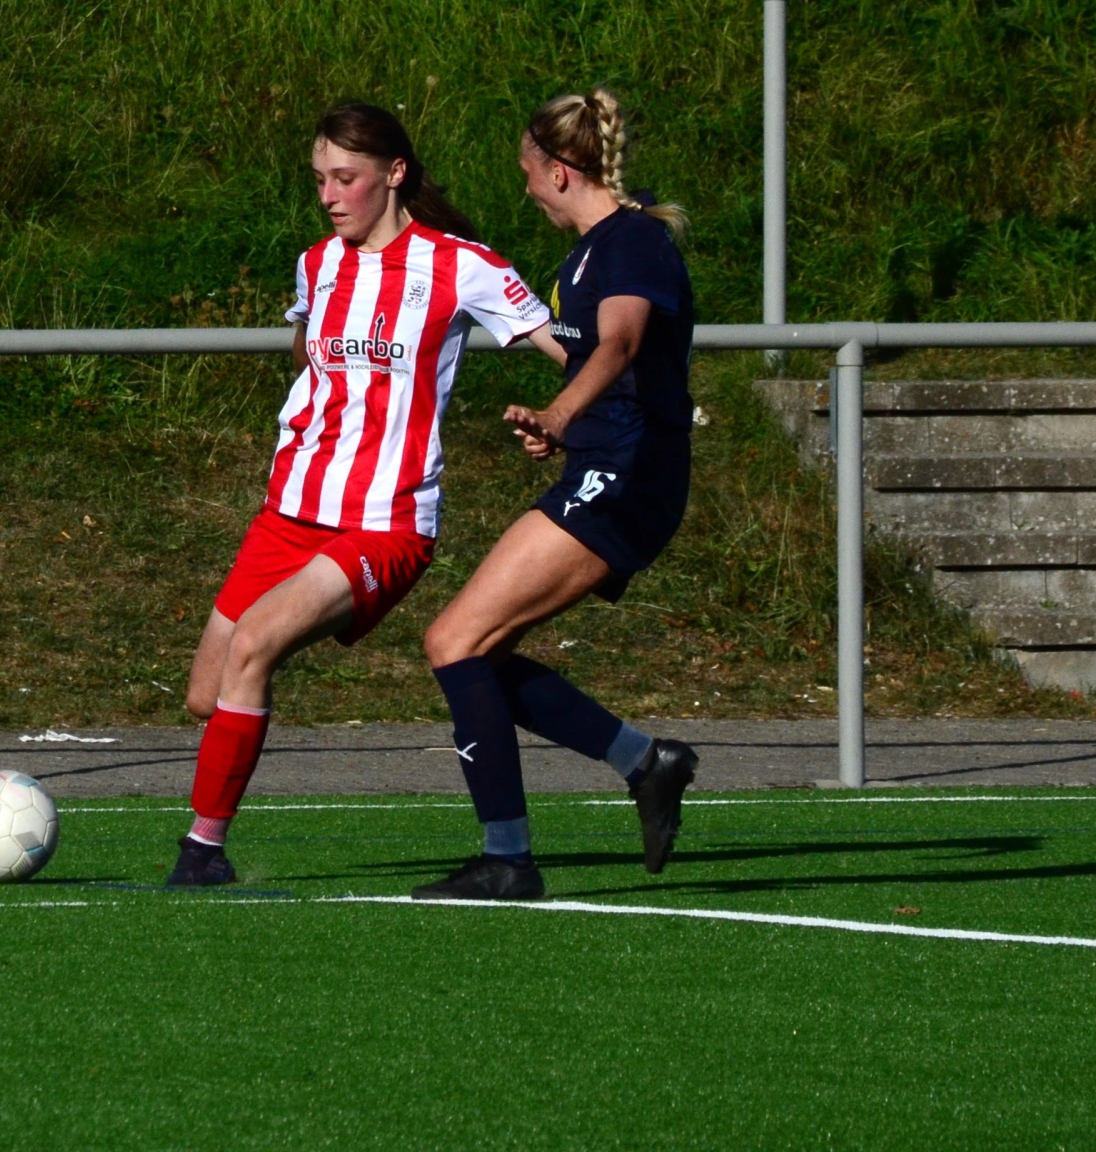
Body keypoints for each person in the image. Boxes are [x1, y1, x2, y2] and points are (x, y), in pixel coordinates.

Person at [167, 102, 552, 887]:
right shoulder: (317, 265)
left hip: (385, 521)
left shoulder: (460, 265)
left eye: (345, 178)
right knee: (208, 695)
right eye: (319, 180)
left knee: (254, 645)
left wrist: (575, 414)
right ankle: (634, 757)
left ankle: (201, 854)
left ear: (395, 173)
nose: (329, 196)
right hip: (288, 513)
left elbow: (564, 345)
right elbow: (312, 360)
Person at [412, 87, 700, 902]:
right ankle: (645, 762)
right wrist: (566, 427)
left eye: (529, 173)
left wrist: (561, 413)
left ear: (562, 171)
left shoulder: (631, 242)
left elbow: (622, 343)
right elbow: (611, 367)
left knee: (455, 641)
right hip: (605, 465)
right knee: (474, 653)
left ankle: (509, 859)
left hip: (630, 474)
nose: (528, 189)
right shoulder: (589, 253)